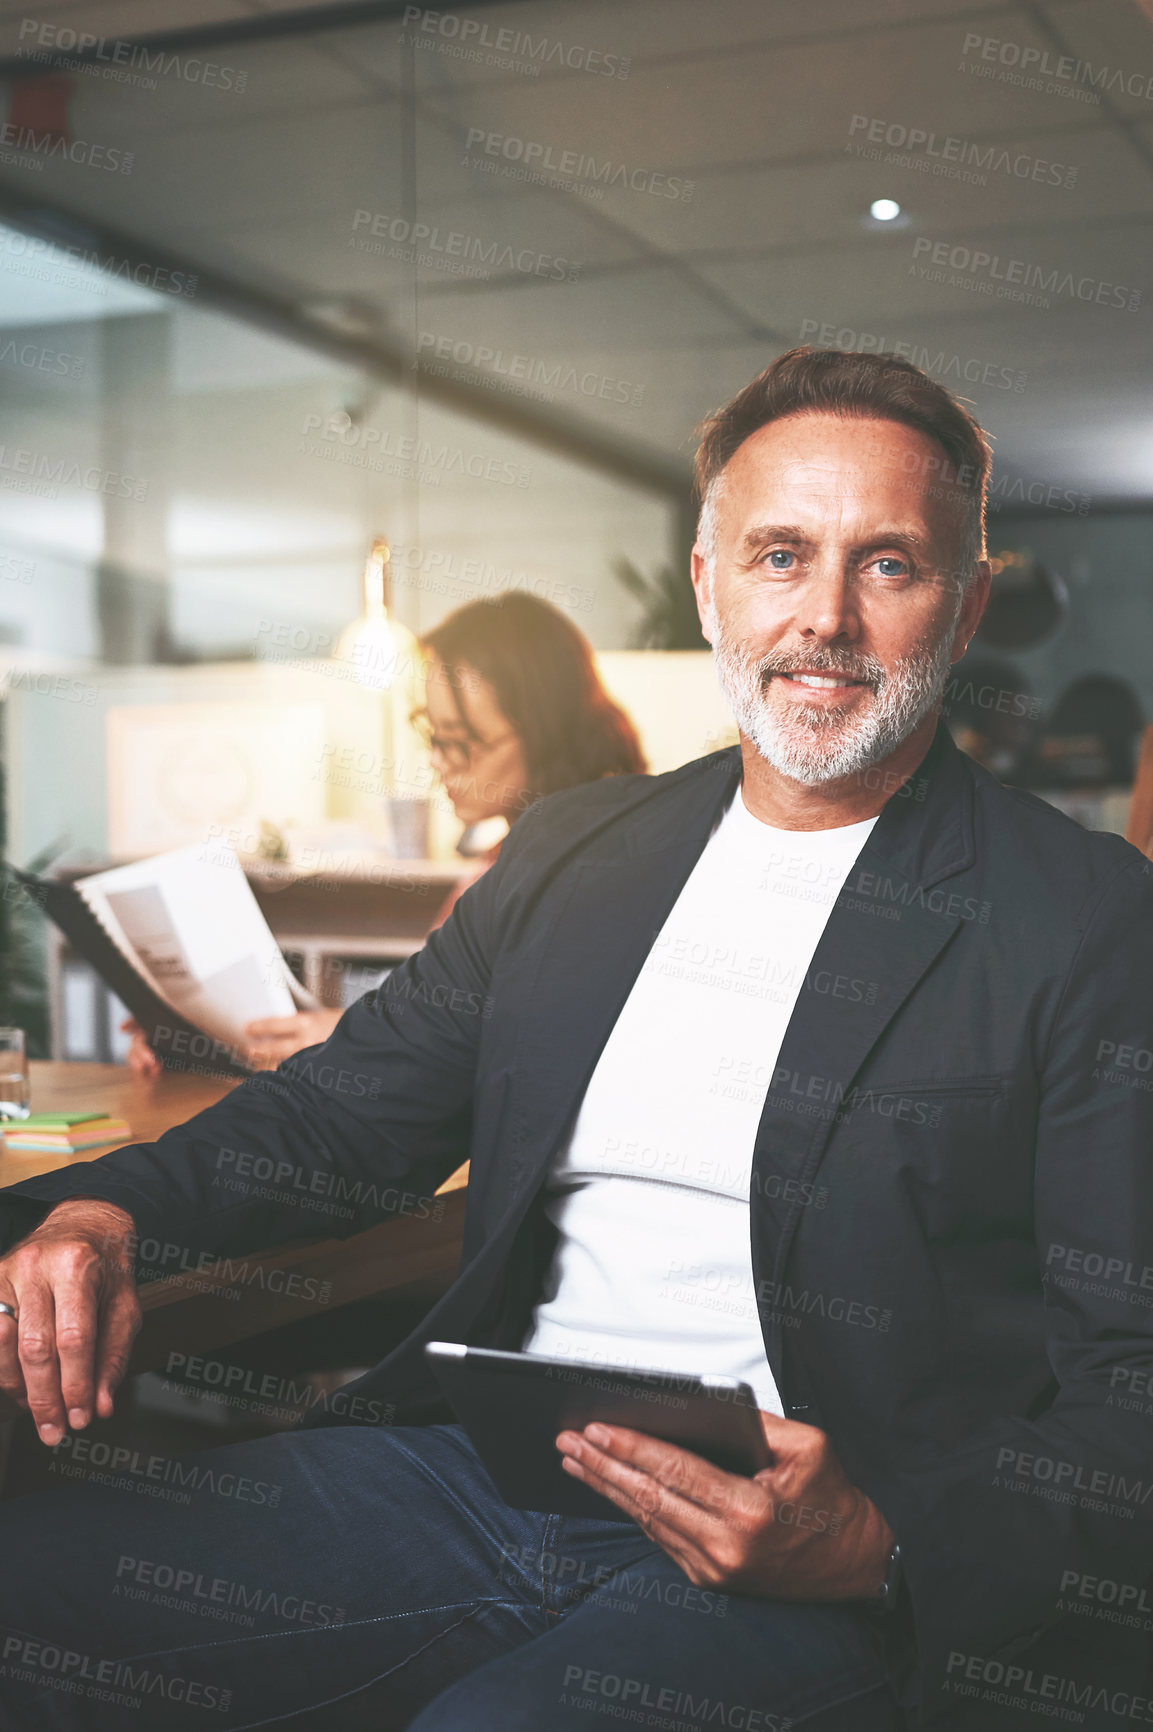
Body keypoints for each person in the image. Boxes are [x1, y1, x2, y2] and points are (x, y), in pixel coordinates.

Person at [0, 347, 1150, 1732]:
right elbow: (338, 1117)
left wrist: (883, 1545)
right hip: (473, 1475)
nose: (824, 618)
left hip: (805, 1548)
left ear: (963, 611)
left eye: (889, 565)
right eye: (781, 555)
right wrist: (108, 1209)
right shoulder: (576, 851)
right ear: (712, 579)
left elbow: (1129, 1388)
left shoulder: (1086, 923)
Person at [123, 592, 645, 1073]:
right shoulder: (497, 863)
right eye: (432, 735)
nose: (439, 762)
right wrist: (207, 1035)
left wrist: (346, 1033)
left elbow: (531, 1042)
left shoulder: (600, 867)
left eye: (460, 741)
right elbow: (435, 1018)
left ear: (544, 733)